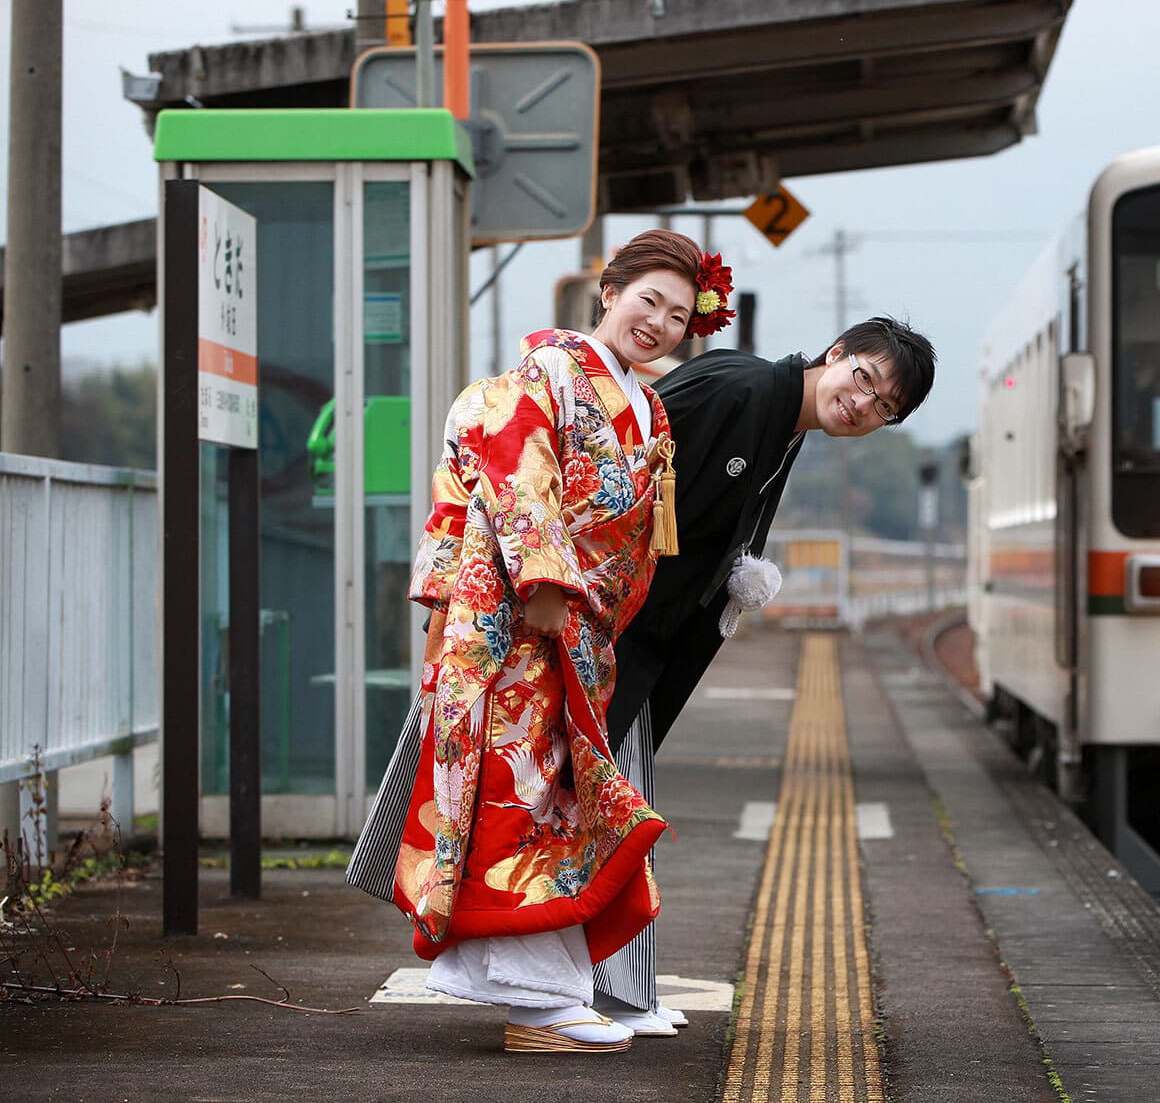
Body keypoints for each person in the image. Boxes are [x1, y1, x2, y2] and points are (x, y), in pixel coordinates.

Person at [358, 230, 734, 1053]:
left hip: (584, 634)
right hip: (524, 623)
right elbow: (518, 474)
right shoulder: (552, 372)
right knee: (516, 799)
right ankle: (537, 1004)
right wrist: (548, 584)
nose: (660, 323)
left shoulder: (648, 405)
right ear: (609, 291)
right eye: (648, 301)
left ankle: (554, 990)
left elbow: (641, 533)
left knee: (556, 806)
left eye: (678, 315)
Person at [589, 316, 936, 1019]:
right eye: (865, 379)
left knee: (611, 808)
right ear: (835, 353)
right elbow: (611, 470)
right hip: (609, 630)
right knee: (596, 810)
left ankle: (612, 990)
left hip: (642, 640)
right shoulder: (741, 390)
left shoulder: (783, 421)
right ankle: (580, 991)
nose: (864, 404)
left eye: (884, 408)